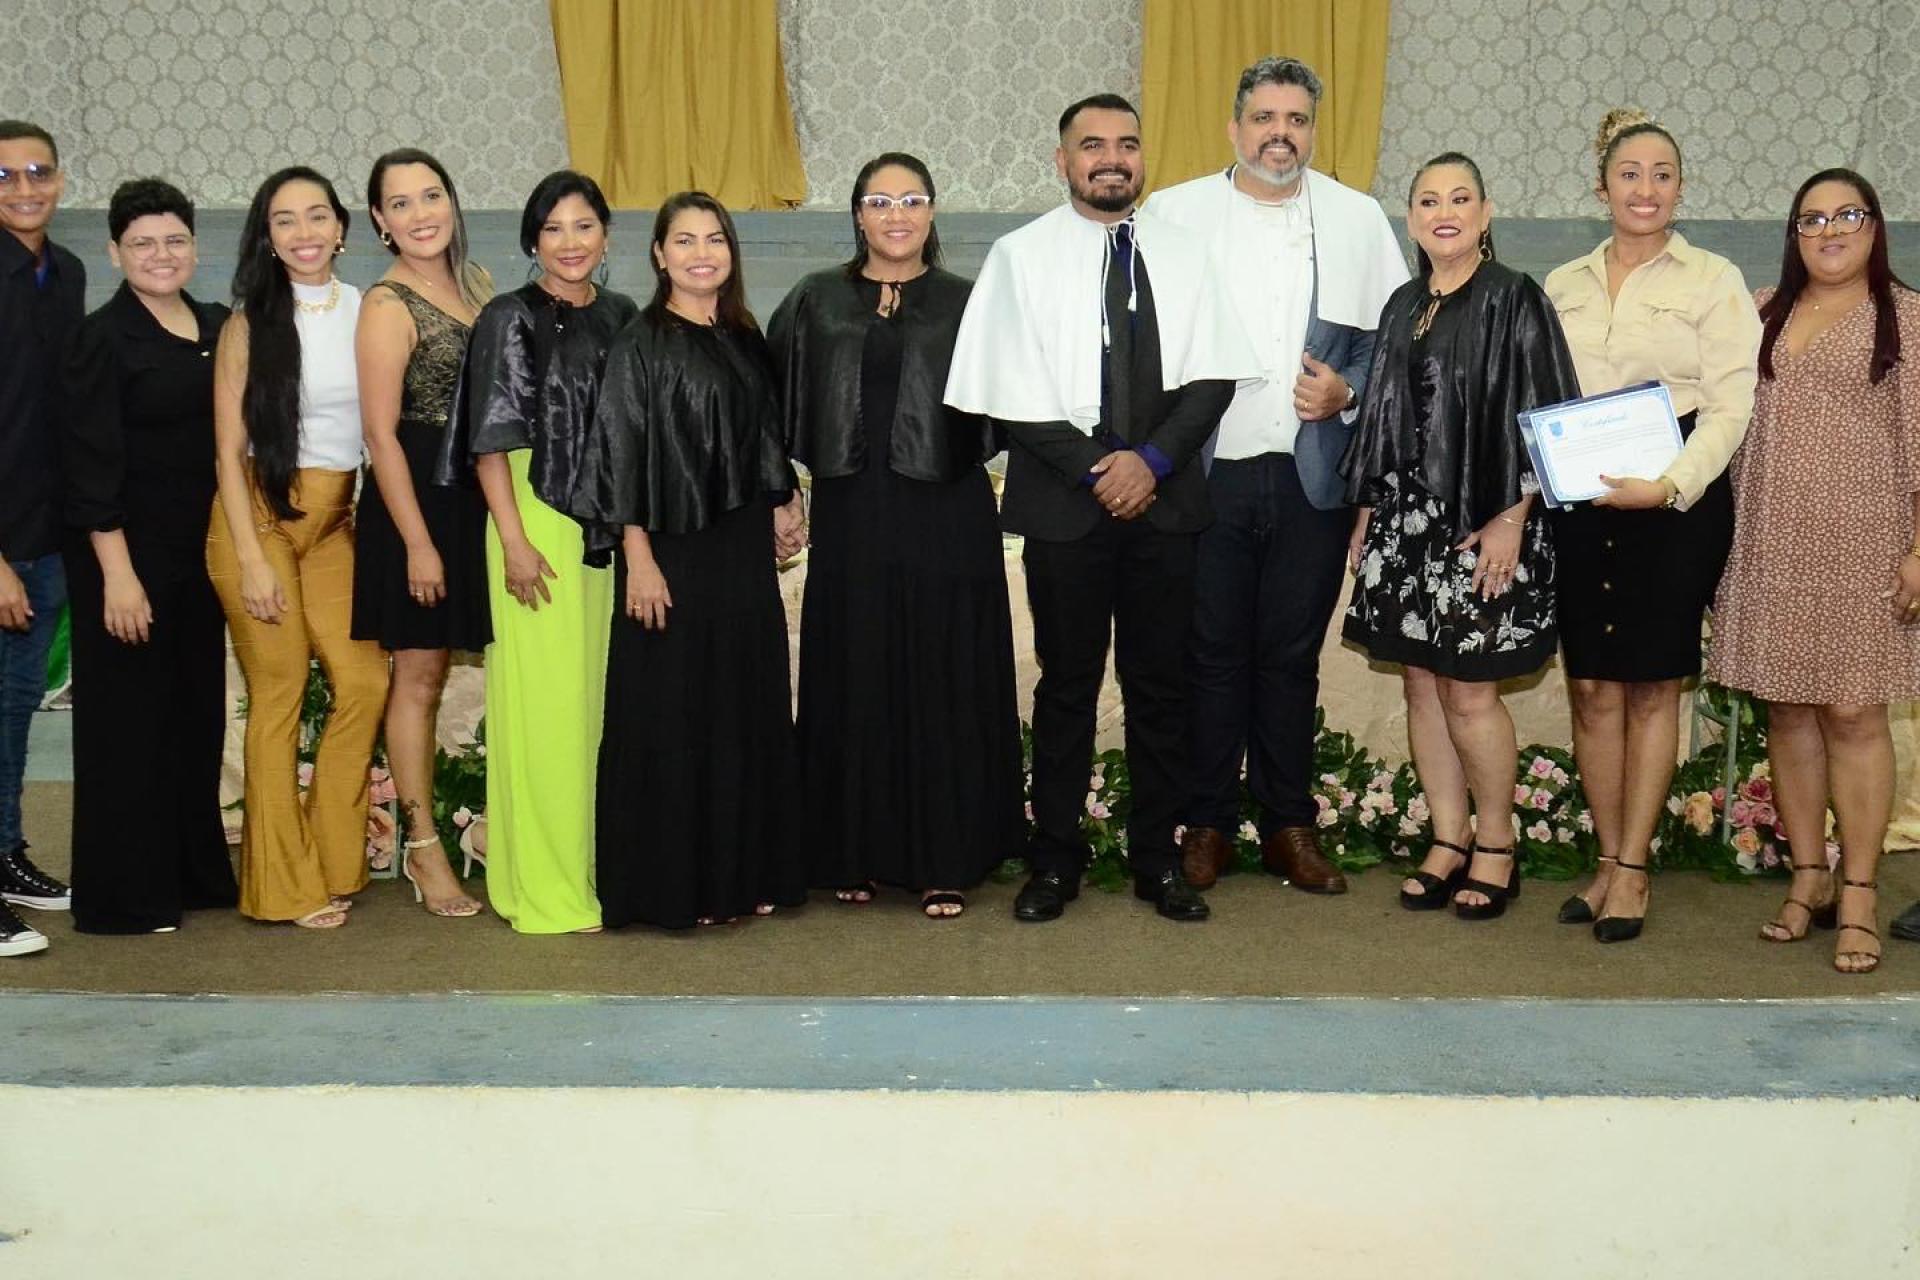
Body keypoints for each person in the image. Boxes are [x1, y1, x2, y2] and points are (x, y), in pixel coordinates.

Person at [946, 94, 1257, 923]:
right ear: (1063, 161)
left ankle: (1157, 860)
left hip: (1166, 504)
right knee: (1066, 688)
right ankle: (1054, 862)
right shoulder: (1021, 256)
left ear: (1142, 157)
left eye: (1125, 144)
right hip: (1064, 509)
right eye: (1092, 145)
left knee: (1161, 688)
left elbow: (1215, 376)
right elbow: (1009, 393)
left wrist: (1150, 462)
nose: (1110, 158)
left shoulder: (1187, 254)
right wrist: (1095, 468)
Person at [1149, 56, 1409, 897]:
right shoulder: (1174, 213)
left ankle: (1290, 825)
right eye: (1264, 118)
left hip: (1311, 476)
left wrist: (1348, 392)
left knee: (1290, 657)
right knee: (1211, 653)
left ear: (1312, 131)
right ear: (1234, 128)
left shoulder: (1355, 217)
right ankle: (1208, 824)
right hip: (1206, 473)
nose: (1280, 134)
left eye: (1296, 120)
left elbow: (1392, 347)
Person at [768, 153, 1022, 920]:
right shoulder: (817, 299)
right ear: (857, 215)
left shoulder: (968, 300)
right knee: (856, 672)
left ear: (934, 212)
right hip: (853, 511)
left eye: (912, 198)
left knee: (943, 674)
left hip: (948, 511)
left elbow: (1011, 400)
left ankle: (947, 857)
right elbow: (764, 400)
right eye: (880, 200)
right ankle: (852, 850)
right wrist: (780, 492)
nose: (896, 213)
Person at [1342, 154, 1580, 919]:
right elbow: (1380, 418)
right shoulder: (1403, 303)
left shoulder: (1516, 298)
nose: (1444, 210)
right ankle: (1447, 839)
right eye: (1427, 199)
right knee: (1420, 681)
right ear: (1410, 217)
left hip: (1483, 525)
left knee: (1471, 693)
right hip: (1405, 525)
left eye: (1460, 198)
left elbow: (1546, 413)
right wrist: (1367, 515)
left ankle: (1496, 847)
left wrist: (1514, 516)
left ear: (1485, 212)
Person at [1544, 109, 1761, 943]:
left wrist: (1669, 486)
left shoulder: (1712, 280)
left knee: (1651, 688)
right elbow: (1541, 400)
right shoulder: (1562, 282)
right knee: (1593, 687)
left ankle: (1634, 868)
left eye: (1662, 173)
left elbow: (1733, 402)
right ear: (1602, 189)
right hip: (1581, 502)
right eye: (1630, 173)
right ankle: (1605, 860)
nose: (1646, 187)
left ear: (1680, 188)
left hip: (1673, 506)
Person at [568, 191, 806, 930]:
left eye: (715, 240)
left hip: (738, 551)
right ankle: (680, 885)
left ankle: (746, 872)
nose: (702, 253)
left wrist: (784, 501)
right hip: (670, 551)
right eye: (685, 240)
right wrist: (636, 555)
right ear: (659, 254)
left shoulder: (743, 333)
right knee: (675, 717)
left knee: (743, 707)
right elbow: (617, 455)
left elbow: (766, 432)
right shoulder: (641, 342)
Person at [1707, 169, 1919, 974]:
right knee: (1789, 715)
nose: (1828, 230)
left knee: (1857, 716)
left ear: (1875, 226)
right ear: (1793, 233)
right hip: (1768, 541)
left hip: (1865, 546)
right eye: (1811, 218)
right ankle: (1810, 878)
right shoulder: (1763, 310)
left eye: (1846, 215)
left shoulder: (1906, 319)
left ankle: (1861, 891)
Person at [437, 169, 639, 934]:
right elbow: (489, 439)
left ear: (606, 236)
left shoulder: (621, 315)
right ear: (531, 241)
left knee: (591, 708)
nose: (570, 242)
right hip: (534, 521)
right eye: (553, 229)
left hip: (605, 527)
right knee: (547, 708)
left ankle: (579, 866)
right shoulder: (508, 317)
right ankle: (546, 887)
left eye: (584, 225)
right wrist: (515, 541)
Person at [207, 167, 390, 929]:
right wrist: (250, 557)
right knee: (279, 695)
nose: (305, 232)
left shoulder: (369, 310)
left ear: (343, 228)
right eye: (286, 221)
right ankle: (281, 885)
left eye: (318, 216)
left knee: (364, 681)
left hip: (336, 523)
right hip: (258, 517)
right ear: (269, 238)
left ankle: (335, 856)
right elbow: (226, 452)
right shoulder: (249, 323)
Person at [60, 178, 238, 934]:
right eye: (141, 243)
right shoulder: (100, 338)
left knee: (193, 716)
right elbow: (88, 465)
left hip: (199, 554)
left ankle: (192, 874)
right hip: (124, 557)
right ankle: (124, 896)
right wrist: (118, 577)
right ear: (114, 253)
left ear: (195, 248)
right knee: (127, 725)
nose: (160, 255)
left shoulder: (217, 324)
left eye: (173, 241)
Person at [352, 148, 492, 918]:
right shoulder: (387, 304)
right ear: (379, 220)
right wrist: (417, 543)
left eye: (430, 194)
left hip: (473, 500)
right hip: (417, 509)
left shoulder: (474, 287)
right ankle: (423, 847)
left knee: (441, 673)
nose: (419, 213)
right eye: (399, 203)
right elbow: (380, 435)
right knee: (421, 677)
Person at [0, 120, 81, 956]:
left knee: (15, 710)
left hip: (48, 536)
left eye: (39, 171)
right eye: (6, 176)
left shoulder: (67, 273)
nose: (25, 188)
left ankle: (5, 852)